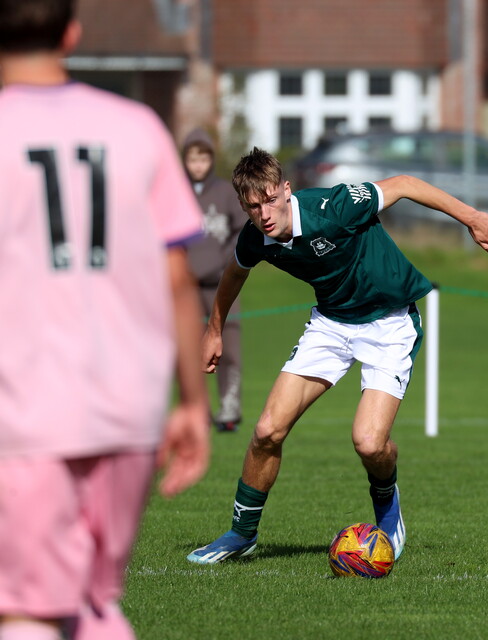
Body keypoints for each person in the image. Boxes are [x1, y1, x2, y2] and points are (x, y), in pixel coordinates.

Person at [186, 148, 488, 565]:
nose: (264, 214)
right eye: (252, 206)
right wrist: (214, 330)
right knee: (266, 431)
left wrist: (472, 218)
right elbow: (235, 272)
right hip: (331, 325)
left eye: (270, 200)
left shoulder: (333, 206)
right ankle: (241, 534)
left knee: (370, 444)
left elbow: (405, 184)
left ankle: (387, 504)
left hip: (390, 324)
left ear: (286, 189)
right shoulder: (255, 237)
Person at [0, 1, 211, 638]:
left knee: (28, 610)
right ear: (71, 32)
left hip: (26, 410)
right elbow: (176, 275)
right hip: (127, 409)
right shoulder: (137, 127)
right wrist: (192, 402)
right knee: (94, 604)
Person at [182, 128, 248, 432]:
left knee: (228, 348)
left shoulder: (225, 192)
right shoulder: (176, 192)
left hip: (222, 284)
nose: (198, 165)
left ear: (211, 159)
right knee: (190, 350)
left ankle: (229, 408)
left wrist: (224, 260)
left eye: (203, 158)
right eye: (192, 159)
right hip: (187, 286)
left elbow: (241, 231)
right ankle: (198, 408)